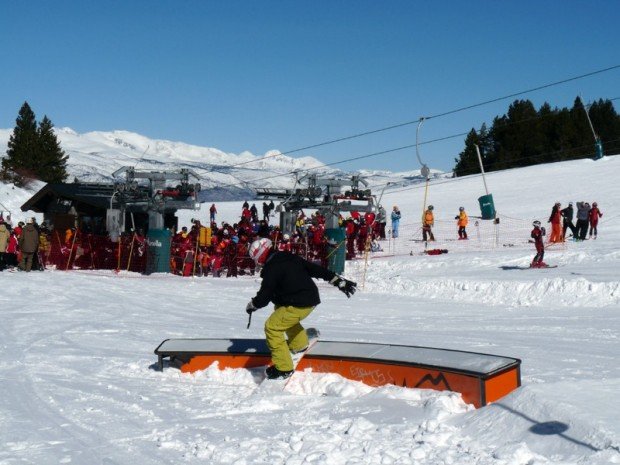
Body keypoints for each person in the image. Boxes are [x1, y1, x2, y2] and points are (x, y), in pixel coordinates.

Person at [245, 238, 357, 380]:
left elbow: (264, 296)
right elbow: (313, 269)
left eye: (256, 259)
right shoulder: (286, 256)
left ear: (261, 255)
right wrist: (336, 280)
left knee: (272, 327)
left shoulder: (271, 268)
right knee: (280, 311)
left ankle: (284, 369)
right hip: (308, 298)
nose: (257, 263)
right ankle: (299, 343)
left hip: (299, 303)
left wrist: (253, 305)